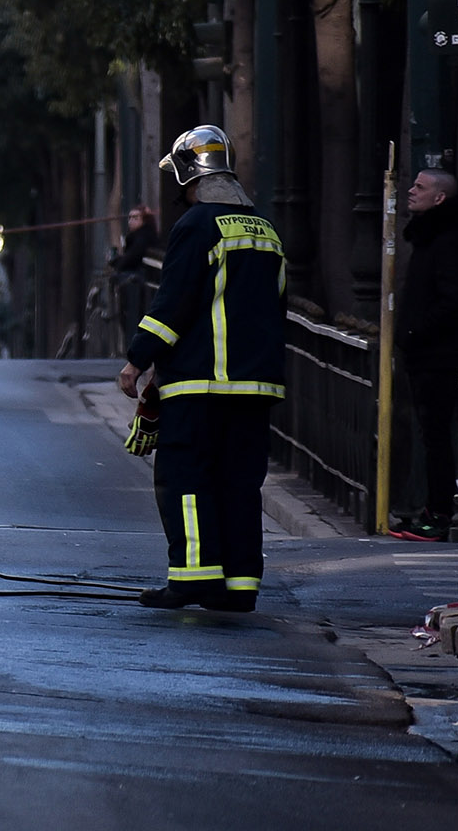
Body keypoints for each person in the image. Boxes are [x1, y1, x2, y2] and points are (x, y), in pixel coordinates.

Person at [117, 124, 285, 614]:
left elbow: (176, 301)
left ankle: (193, 577)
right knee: (239, 483)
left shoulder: (196, 225)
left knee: (185, 478)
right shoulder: (266, 229)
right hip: (256, 386)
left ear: (189, 173)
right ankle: (239, 586)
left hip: (200, 383)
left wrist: (138, 359)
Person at [392, 169, 458, 542]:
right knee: (431, 436)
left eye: (420, 187)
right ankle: (432, 509)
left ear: (439, 198)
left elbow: (455, 300)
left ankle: (439, 514)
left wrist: (414, 333)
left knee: (438, 438)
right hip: (427, 353)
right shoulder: (431, 238)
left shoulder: (449, 241)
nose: (411, 191)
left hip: (439, 356)